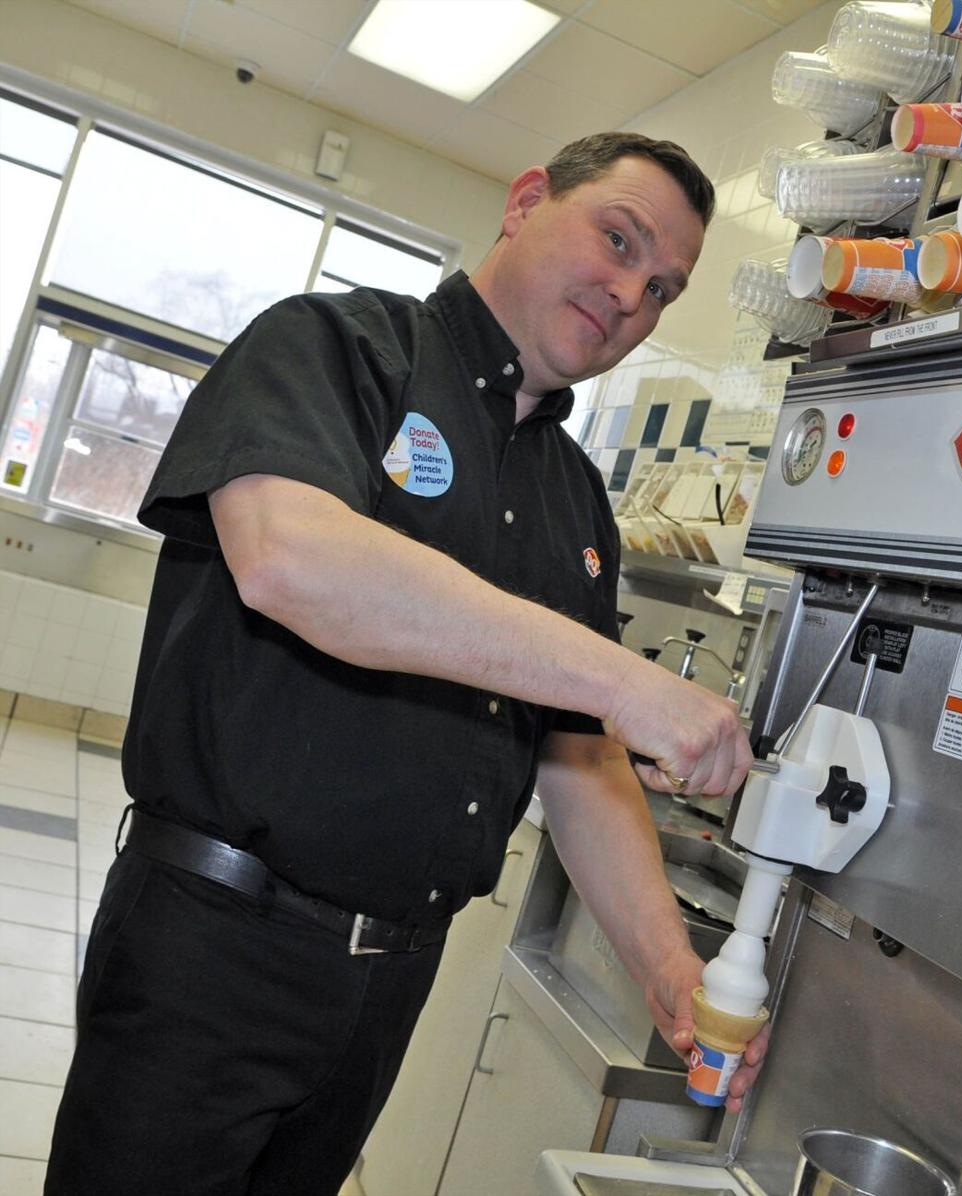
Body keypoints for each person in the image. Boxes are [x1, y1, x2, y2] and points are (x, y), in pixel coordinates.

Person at [45, 132, 766, 1196]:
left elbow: (580, 757)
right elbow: (293, 560)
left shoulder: (578, 502)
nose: (629, 294)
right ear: (527, 200)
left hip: (388, 978)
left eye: (661, 287)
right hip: (214, 944)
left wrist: (668, 964)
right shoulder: (337, 347)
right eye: (617, 239)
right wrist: (628, 679)